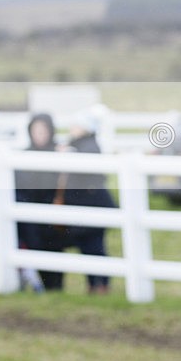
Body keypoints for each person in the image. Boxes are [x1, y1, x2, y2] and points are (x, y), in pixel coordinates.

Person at [55, 108, 113, 295]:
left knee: (95, 247)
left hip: (93, 205)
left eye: (77, 124)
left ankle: (101, 284)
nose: (72, 128)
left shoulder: (88, 146)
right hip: (83, 205)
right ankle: (93, 284)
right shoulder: (78, 144)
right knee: (87, 247)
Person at [13, 113, 61, 292]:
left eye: (43, 130)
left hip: (53, 218)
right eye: (36, 130)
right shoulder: (23, 156)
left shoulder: (59, 152)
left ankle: (53, 288)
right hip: (30, 218)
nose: (40, 134)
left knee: (53, 253)